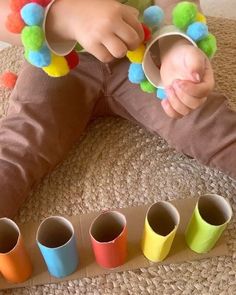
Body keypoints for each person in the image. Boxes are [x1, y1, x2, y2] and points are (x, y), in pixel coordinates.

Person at [0, 0, 235, 218]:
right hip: (57, 62)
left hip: (144, 48)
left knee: (199, 122)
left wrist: (175, 44)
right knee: (20, 143)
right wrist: (60, 17)